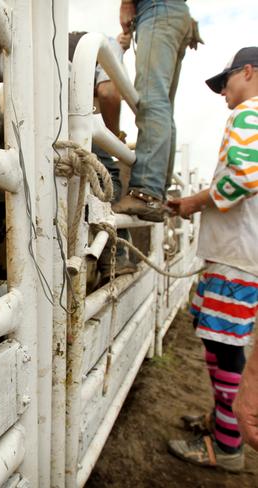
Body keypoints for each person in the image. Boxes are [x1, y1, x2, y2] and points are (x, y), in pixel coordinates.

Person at [166, 46, 258, 471]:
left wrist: (194, 202)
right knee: (214, 341)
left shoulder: (248, 115)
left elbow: (241, 176)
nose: (223, 93)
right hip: (235, 257)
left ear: (249, 73)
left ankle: (227, 447)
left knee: (225, 351)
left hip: (235, 261)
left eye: (226, 82)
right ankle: (223, 424)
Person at [112, 0, 197, 222]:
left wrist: (127, 2)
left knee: (152, 100)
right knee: (163, 105)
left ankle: (146, 191)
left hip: (158, 8)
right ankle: (155, 192)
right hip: (171, 11)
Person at [68, 31, 137, 282]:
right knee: (109, 184)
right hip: (83, 130)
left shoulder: (55, 45)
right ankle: (114, 259)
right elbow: (108, 92)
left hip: (41, 129)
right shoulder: (101, 45)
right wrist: (114, 137)